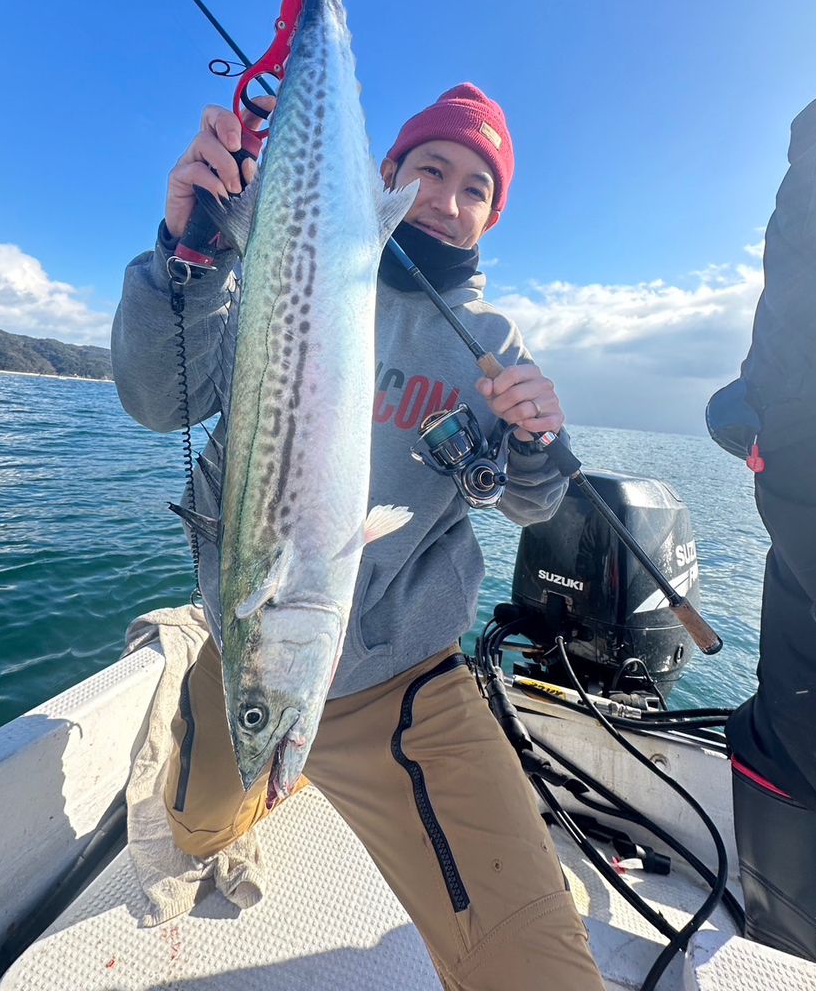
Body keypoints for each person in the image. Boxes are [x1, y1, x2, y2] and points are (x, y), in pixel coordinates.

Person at [112, 83, 603, 991]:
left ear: (494, 215)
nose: (450, 203)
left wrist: (537, 446)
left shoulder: (492, 341)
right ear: (387, 177)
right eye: (431, 171)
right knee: (199, 830)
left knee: (541, 971)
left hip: (402, 680)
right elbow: (156, 399)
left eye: (475, 190)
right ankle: (220, 702)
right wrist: (188, 257)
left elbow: (529, 504)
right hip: (254, 646)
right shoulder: (279, 274)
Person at [706, 63, 816, 978]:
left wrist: (748, 412)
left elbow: (767, 381)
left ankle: (786, 959)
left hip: (812, 544)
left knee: (788, 738)